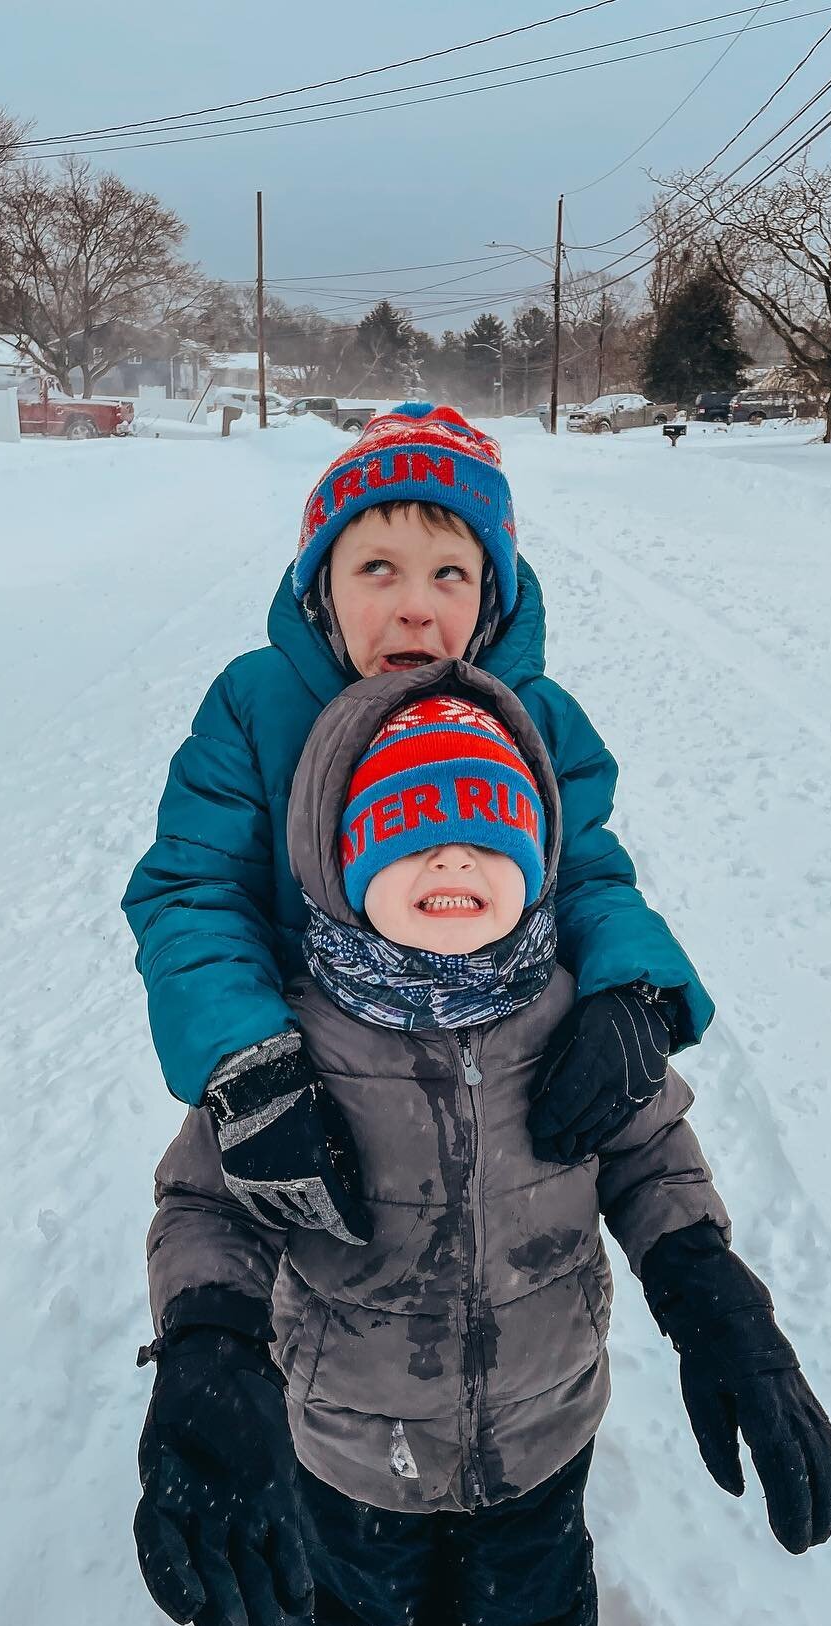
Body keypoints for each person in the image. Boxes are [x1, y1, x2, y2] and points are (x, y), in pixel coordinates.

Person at [135, 663, 831, 1626]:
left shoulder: (581, 1018)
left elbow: (654, 1154)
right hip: (351, 1448)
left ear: (541, 864)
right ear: (346, 861)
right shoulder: (292, 1050)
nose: (455, 860)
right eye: (413, 834)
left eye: (490, 834)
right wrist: (211, 1345)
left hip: (540, 1431)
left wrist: (716, 1300)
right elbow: (206, 1203)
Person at [123, 403, 715, 1256]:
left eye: (449, 574)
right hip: (327, 1104)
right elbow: (194, 888)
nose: (414, 607)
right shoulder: (257, 706)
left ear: (490, 594)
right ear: (321, 583)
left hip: (506, 1106)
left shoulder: (534, 721)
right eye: (376, 569)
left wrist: (635, 990)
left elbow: (584, 873)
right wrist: (244, 1060)